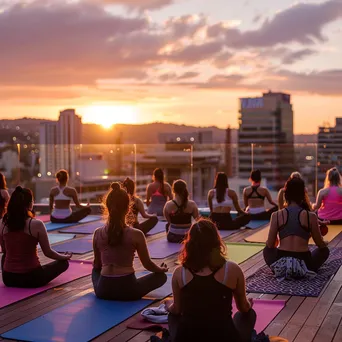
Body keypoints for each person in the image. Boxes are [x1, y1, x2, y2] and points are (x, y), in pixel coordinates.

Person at [165, 219, 256, 342]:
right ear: (216, 242)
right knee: (248, 314)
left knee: (173, 316)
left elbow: (177, 309)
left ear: (190, 243)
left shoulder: (179, 273)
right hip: (224, 338)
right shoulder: (232, 269)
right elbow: (243, 307)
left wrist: (168, 306)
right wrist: (249, 304)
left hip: (188, 338)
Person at [92, 182, 168, 300]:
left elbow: (97, 265)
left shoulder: (97, 233)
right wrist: (160, 269)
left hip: (103, 290)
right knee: (161, 277)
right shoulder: (136, 234)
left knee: (95, 270)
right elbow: (147, 264)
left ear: (107, 207)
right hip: (128, 290)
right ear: (128, 209)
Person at [0, 186, 71, 288]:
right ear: (30, 204)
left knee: (5, 255)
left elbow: (4, 251)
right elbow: (48, 252)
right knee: (64, 264)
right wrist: (64, 257)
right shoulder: (36, 224)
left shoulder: (2, 223)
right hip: (32, 278)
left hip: (9, 278)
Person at [264, 178, 329, 273]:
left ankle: (285, 269)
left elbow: (270, 244)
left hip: (281, 261)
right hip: (305, 263)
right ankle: (300, 270)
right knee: (325, 251)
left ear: (286, 194)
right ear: (302, 195)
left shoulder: (276, 215)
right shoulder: (310, 216)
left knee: (267, 250)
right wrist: (323, 242)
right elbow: (320, 244)